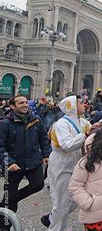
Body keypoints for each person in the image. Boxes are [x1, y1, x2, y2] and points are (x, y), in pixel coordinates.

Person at [41, 95, 92, 230]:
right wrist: (84, 136)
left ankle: (53, 217)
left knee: (76, 198)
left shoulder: (84, 122)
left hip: (78, 161)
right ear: (73, 106)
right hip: (61, 162)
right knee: (61, 201)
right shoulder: (61, 124)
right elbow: (67, 145)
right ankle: (56, 228)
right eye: (81, 103)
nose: (84, 105)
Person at [0, 95, 50, 224]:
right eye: (21, 103)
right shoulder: (5, 124)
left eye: (26, 102)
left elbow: (43, 138)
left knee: (38, 184)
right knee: (9, 201)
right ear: (12, 106)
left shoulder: (36, 119)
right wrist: (9, 162)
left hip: (33, 161)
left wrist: (45, 154)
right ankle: (4, 225)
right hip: (13, 165)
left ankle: (11, 199)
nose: (25, 105)